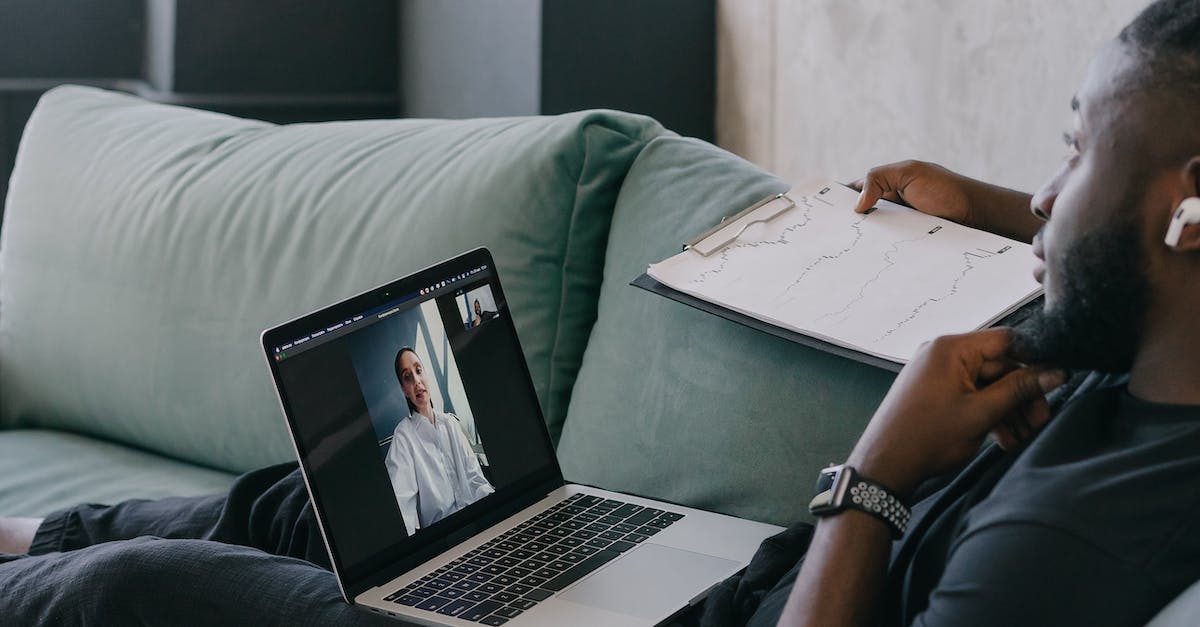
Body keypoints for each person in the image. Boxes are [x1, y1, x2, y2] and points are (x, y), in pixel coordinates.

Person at [1, 1, 1199, 624]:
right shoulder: (1134, 346)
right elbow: (1086, 240)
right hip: (693, 588)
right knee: (315, 493)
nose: (1044, 196)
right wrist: (992, 205)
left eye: (1078, 147)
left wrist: (871, 483)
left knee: (130, 597)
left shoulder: (1072, 551)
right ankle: (26, 537)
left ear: (1187, 213)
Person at [385, 347, 493, 534]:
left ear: (426, 374)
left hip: (479, 521)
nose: (417, 381)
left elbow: (476, 480)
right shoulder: (403, 437)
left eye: (419, 371)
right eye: (408, 377)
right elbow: (401, 509)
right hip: (445, 538)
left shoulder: (450, 423)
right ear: (404, 390)